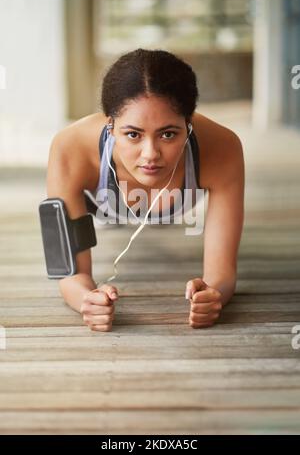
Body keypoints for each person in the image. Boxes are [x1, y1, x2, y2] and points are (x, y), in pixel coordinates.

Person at [47, 48, 245, 332]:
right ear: (110, 125)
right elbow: (67, 272)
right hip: (102, 205)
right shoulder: (70, 148)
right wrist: (86, 299)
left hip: (173, 207)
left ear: (188, 124)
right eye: (132, 134)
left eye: (168, 134)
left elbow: (223, 273)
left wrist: (213, 293)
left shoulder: (222, 147)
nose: (150, 154)